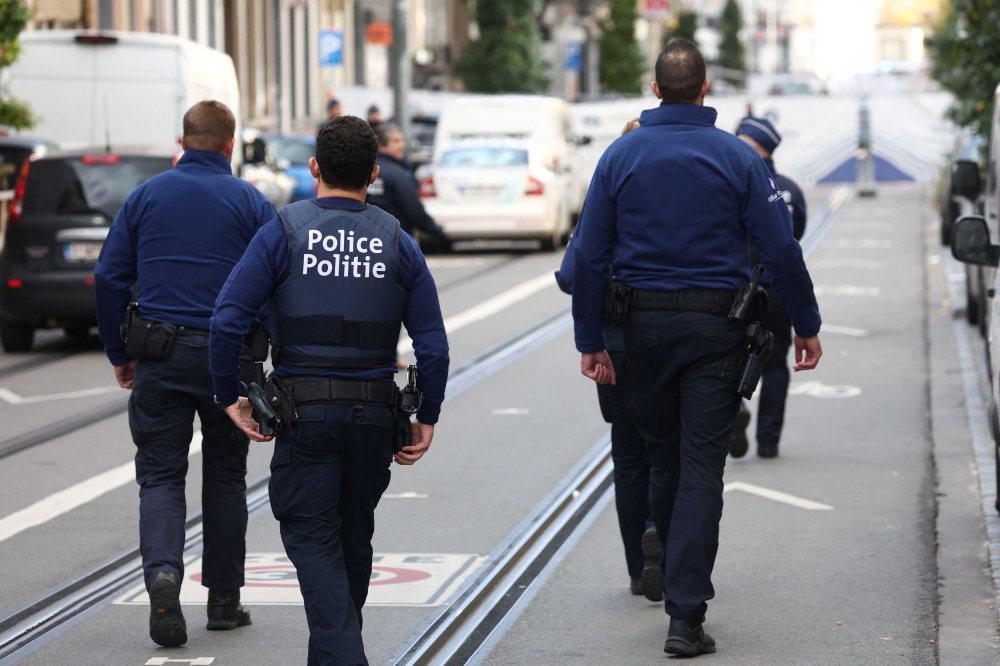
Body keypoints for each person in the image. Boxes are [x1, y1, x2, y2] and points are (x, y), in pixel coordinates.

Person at [571, 39, 822, 657]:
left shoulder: (619, 155)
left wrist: (590, 341)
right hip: (716, 336)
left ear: (654, 90)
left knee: (663, 460)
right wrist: (808, 323)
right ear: (706, 89)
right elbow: (781, 248)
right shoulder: (738, 159)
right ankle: (686, 616)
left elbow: (588, 259)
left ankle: (663, 552)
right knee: (703, 469)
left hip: (642, 336)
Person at [209, 115, 449, 666]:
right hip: (372, 420)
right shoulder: (396, 239)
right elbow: (432, 344)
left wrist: (230, 395)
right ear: (373, 173)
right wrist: (427, 413)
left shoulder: (284, 229)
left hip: (306, 418)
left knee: (316, 546)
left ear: (315, 168)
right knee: (352, 543)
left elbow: (227, 321)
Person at [94, 100, 278, 648]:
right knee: (226, 476)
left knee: (160, 476)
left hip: (161, 356)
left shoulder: (145, 198)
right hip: (231, 361)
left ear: (183, 140)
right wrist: (275, 363)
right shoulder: (252, 202)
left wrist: (117, 351)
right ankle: (224, 600)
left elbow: (108, 277)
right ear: (229, 144)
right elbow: (274, 287)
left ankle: (163, 580)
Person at [555, 117, 663, 602]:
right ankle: (664, 535)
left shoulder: (608, 191)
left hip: (616, 342)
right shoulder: (674, 199)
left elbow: (570, 272)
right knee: (673, 450)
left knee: (629, 454)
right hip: (670, 338)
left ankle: (640, 571)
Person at [729, 116, 808, 459]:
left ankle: (732, 413)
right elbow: (794, 239)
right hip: (775, 289)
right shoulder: (788, 188)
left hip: (732, 288)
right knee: (775, 363)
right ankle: (768, 441)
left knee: (725, 359)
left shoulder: (730, 181)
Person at [367, 123, 446, 241]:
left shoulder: (362, 170)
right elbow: (415, 211)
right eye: (396, 141)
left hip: (363, 239)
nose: (402, 146)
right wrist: (436, 230)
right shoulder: (398, 174)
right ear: (381, 145)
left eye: (401, 141)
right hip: (395, 240)